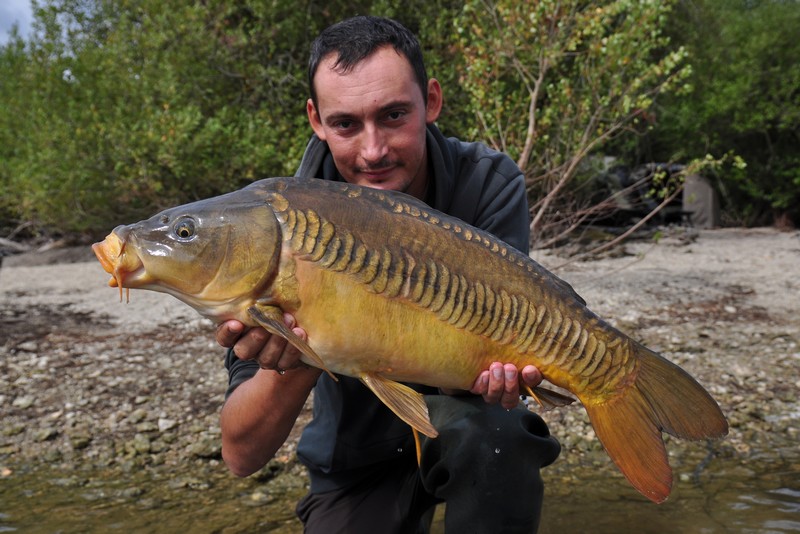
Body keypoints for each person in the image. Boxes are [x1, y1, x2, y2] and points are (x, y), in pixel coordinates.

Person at [216, 16, 560, 533]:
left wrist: (512, 367)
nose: (373, 151)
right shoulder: (273, 228)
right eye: (346, 124)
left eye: (394, 115)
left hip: (470, 416)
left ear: (432, 102)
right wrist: (298, 353)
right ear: (315, 119)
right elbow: (241, 456)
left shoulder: (487, 182)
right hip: (357, 450)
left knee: (500, 440)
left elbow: (513, 343)